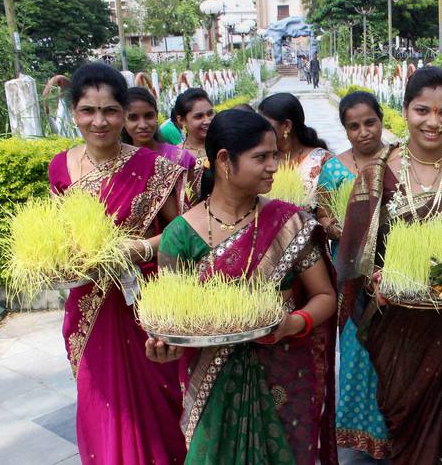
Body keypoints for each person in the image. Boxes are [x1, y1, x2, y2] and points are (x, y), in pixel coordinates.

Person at [145, 109, 339, 464]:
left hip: (284, 373)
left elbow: (325, 296)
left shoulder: (289, 223)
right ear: (224, 160)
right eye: (261, 157)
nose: (274, 166)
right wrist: (165, 346)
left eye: (275, 156)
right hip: (211, 380)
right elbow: (172, 321)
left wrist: (294, 323)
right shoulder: (180, 236)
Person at [336, 67, 442, 464]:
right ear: (405, 110)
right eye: (422, 110)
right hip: (398, 328)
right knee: (409, 428)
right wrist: (376, 281)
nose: (433, 122)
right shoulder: (375, 175)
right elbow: (355, 257)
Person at [48, 63, 187, 464]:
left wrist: (139, 249)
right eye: (88, 111)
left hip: (145, 301)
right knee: (101, 405)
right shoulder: (61, 166)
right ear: (74, 112)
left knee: (159, 404)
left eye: (109, 110)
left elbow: (182, 234)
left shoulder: (155, 168)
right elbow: (60, 232)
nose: (99, 121)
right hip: (90, 303)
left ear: (122, 113)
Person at [317, 91, 390, 460]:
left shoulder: (399, 163)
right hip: (349, 276)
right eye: (354, 126)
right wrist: (338, 229)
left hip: (392, 272)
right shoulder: (333, 168)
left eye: (370, 122)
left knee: (392, 352)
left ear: (381, 120)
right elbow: (322, 215)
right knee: (357, 350)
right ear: (345, 129)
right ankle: (363, 434)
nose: (363, 132)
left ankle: (396, 429)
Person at [258, 93, 332, 199]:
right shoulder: (258, 158)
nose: (260, 132)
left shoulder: (322, 161)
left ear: (287, 126)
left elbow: (329, 211)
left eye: (266, 126)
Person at [122, 86, 196, 172]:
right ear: (123, 120)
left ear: (156, 115)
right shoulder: (119, 164)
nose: (143, 125)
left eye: (149, 116)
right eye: (133, 118)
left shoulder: (180, 158)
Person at [174, 88, 215, 202]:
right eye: (199, 116)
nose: (207, 121)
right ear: (181, 120)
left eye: (210, 113)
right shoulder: (174, 156)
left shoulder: (225, 148)